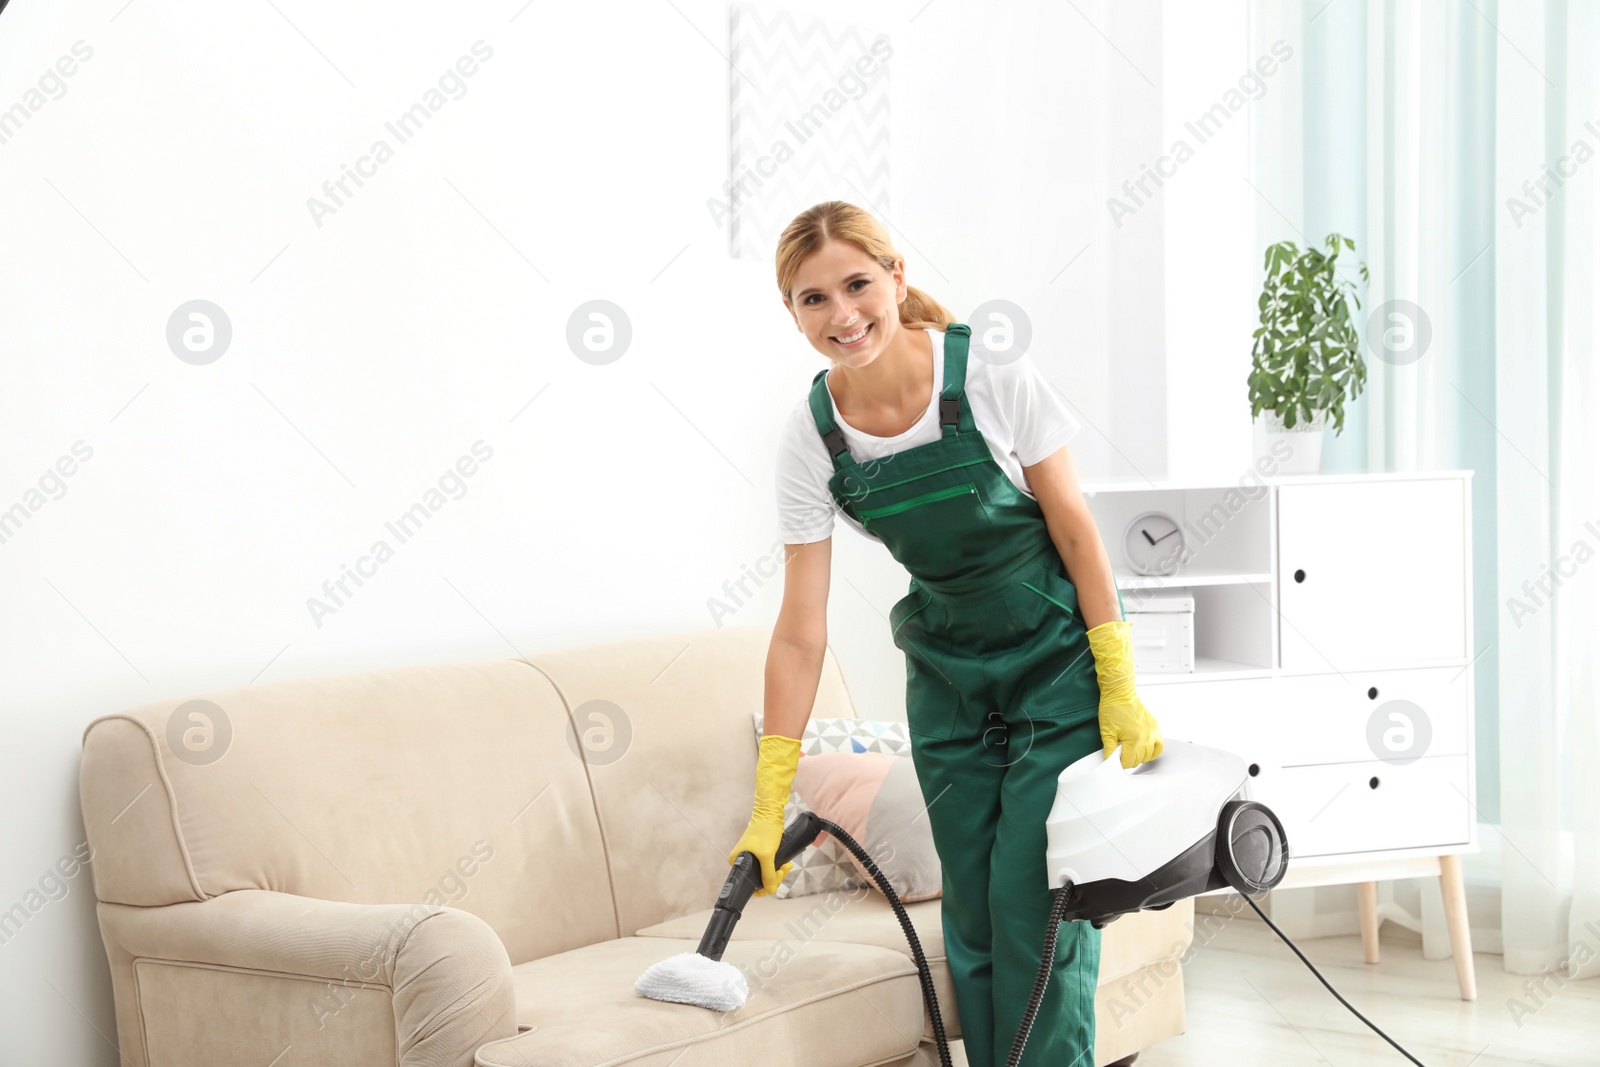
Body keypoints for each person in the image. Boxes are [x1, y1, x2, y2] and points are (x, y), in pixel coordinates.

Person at [727, 200, 1164, 1067]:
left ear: (895, 277)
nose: (842, 314)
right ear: (792, 313)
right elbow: (800, 630)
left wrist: (1117, 675)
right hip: (948, 670)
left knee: (1029, 890)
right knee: (968, 904)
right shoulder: (811, 440)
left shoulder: (989, 372)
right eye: (813, 299)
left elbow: (1073, 526)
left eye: (857, 284)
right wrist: (771, 798)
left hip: (1054, 659)